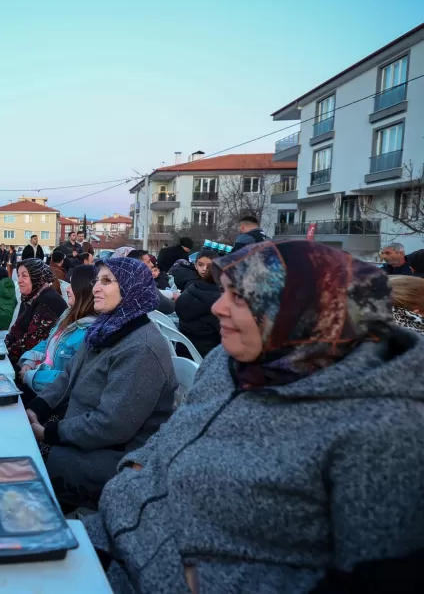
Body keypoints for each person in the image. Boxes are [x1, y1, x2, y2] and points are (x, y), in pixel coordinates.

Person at [84, 240, 424, 593]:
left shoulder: (388, 429)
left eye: (240, 298)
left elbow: (375, 580)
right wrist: (135, 469)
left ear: (301, 313)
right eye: (223, 293)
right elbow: (178, 430)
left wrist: (201, 582)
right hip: (109, 535)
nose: (217, 307)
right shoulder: (232, 363)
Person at [27, 257, 178, 510]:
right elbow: (68, 376)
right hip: (82, 435)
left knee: (22, 469)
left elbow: (111, 425)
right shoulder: (105, 328)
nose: (95, 287)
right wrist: (37, 407)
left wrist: (48, 433)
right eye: (97, 280)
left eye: (107, 281)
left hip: (117, 458)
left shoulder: (141, 347)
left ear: (130, 288)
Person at [20, 264, 98, 393]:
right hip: (39, 381)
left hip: (50, 394)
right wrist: (29, 360)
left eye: (72, 284)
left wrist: (32, 376)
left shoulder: (89, 331)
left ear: (84, 289)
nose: (67, 289)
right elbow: (50, 341)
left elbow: (69, 379)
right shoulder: (68, 314)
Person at [5, 259, 68, 368]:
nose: (19, 280)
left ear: (37, 277)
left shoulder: (48, 301)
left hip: (34, 364)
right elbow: (15, 331)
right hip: (21, 359)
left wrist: (5, 355)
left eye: (24, 276)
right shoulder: (30, 297)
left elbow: (32, 342)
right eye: (18, 275)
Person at [173, 249, 221, 357]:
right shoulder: (215, 299)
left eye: (209, 266)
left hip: (183, 354)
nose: (205, 269)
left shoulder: (190, 290)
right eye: (201, 264)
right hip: (207, 356)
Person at [126, 249, 175, 314]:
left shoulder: (125, 280)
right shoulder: (143, 283)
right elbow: (168, 306)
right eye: (148, 262)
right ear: (138, 264)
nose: (152, 264)